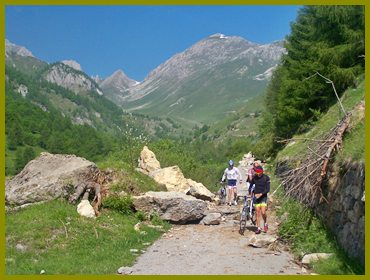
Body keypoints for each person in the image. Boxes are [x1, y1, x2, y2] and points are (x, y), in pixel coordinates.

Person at [250, 165, 270, 234]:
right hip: (256, 197)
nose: (256, 173)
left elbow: (268, 189)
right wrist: (250, 193)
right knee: (257, 213)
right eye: (256, 171)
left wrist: (261, 194)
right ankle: (258, 228)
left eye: (258, 171)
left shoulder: (266, 178)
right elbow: (251, 186)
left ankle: (265, 223)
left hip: (263, 197)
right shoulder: (254, 178)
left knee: (263, 212)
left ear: (261, 172)